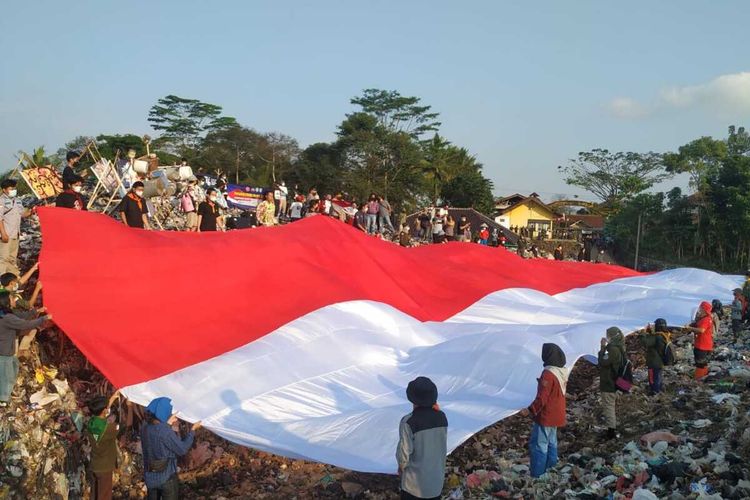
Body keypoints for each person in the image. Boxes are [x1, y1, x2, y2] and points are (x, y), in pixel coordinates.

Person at [519, 343, 567, 478]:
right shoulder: (561, 371)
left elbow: (542, 397)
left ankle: (537, 474)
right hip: (557, 415)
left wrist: (530, 410)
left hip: (547, 416)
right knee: (552, 443)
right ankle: (551, 470)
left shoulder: (548, 374)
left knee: (539, 445)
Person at [396, 377, 447, 500]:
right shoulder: (442, 417)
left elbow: (404, 454)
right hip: (436, 484)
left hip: (414, 487)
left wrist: (401, 467)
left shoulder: (409, 422)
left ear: (411, 398)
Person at [141, 397, 201, 499]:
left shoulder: (145, 428)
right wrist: (192, 430)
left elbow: (158, 433)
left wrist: (167, 423)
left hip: (150, 477)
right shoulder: (165, 431)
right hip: (166, 478)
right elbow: (182, 449)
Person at [0, 291, 51, 407]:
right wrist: (44, 318)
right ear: (6, 302)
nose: (14, 301)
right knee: (6, 376)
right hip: (4, 352)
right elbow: (25, 325)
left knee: (13, 368)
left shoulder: (6, 314)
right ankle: (3, 400)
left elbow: (21, 317)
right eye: (12, 299)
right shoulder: (6, 318)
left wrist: (36, 311)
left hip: (7, 351)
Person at [86, 391, 122, 500]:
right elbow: (121, 426)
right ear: (105, 411)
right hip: (105, 467)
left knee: (95, 493)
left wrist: (110, 402)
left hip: (95, 464)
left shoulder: (91, 422)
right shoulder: (110, 428)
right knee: (104, 495)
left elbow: (100, 416)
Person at [0, 180, 33, 275]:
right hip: (6, 234)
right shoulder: (1, 201)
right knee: (3, 258)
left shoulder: (17, 200)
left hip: (16, 234)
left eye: (14, 188)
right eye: (11, 188)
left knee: (12, 259)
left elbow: (22, 214)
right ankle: (2, 281)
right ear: (4, 190)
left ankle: (11, 281)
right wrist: (3, 233)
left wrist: (32, 211)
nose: (13, 190)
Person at [598, 326, 624, 440]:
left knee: (609, 408)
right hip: (618, 382)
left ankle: (611, 433)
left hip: (610, 383)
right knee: (611, 407)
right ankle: (612, 429)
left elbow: (603, 362)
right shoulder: (620, 347)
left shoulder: (613, 350)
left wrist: (603, 347)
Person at [641, 319, 668, 395]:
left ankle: (654, 393)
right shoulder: (664, 335)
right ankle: (659, 391)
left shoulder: (656, 336)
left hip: (653, 361)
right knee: (658, 377)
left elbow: (645, 342)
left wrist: (642, 333)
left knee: (653, 379)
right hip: (660, 361)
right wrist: (650, 331)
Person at [689, 301, 714, 380]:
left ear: (704, 309)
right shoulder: (705, 318)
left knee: (700, 364)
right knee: (703, 363)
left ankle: (698, 379)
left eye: (701, 308)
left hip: (702, 345)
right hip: (706, 345)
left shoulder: (706, 319)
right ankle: (704, 377)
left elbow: (701, 330)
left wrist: (689, 328)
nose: (699, 310)